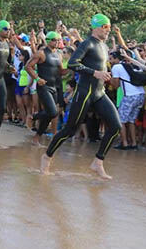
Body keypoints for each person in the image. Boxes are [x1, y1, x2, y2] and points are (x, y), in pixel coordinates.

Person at [41, 14, 121, 180]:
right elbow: (73, 63)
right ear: (95, 27)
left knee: (115, 126)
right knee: (69, 130)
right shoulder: (88, 43)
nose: (107, 30)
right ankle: (47, 157)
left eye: (109, 27)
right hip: (84, 93)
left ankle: (98, 162)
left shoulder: (104, 46)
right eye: (104, 26)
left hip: (99, 93)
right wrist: (95, 73)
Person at [26, 31, 67, 146]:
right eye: (55, 40)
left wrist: (72, 69)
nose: (57, 42)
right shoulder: (41, 53)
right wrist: (37, 79)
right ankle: (33, 117)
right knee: (53, 112)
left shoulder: (59, 54)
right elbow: (28, 66)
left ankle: (36, 138)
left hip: (55, 87)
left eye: (59, 39)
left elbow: (61, 72)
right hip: (44, 87)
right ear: (48, 41)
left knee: (51, 114)